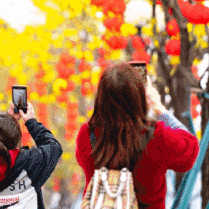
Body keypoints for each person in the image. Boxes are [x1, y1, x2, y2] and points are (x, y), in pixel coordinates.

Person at [75, 62, 199, 209]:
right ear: (138, 95)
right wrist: (160, 109)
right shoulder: (156, 136)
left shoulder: (86, 135)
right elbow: (189, 150)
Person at [0, 102, 63, 208]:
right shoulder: (29, 164)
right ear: (17, 138)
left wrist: (6, 123)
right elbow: (54, 147)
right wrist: (31, 122)